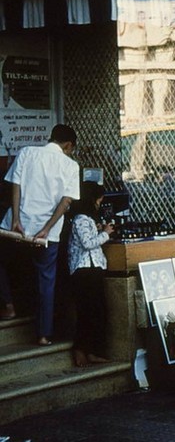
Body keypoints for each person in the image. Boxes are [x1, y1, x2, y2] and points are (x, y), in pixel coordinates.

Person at [0, 124, 80, 344]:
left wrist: (16, 218)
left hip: (17, 225)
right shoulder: (71, 166)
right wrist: (46, 228)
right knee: (46, 281)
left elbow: (15, 186)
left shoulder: (27, 152)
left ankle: (8, 305)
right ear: (68, 145)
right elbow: (66, 201)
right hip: (48, 234)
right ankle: (43, 334)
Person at [67, 181, 114, 367]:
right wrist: (106, 233)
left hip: (92, 269)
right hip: (84, 271)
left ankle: (92, 350)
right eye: (98, 200)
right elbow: (87, 243)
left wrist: (100, 229)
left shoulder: (86, 220)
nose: (99, 204)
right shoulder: (80, 219)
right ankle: (81, 350)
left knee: (96, 311)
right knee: (88, 312)